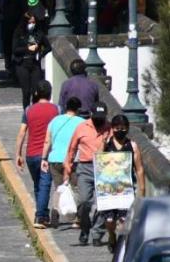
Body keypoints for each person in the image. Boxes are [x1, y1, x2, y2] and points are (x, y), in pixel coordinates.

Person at [63, 102, 112, 246]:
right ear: (91, 115)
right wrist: (68, 167)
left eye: (101, 118)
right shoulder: (81, 128)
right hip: (85, 167)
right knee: (84, 201)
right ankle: (85, 228)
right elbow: (72, 149)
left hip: (104, 167)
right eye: (97, 117)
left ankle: (97, 233)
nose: (99, 120)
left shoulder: (109, 127)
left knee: (103, 204)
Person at [14, 81, 60, 228]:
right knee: (45, 185)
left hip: (31, 154)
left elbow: (22, 133)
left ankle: (43, 213)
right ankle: (40, 217)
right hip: (47, 154)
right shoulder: (57, 110)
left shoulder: (28, 110)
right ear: (50, 93)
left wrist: (18, 154)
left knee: (38, 185)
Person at [97, 114, 146, 252]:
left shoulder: (132, 146)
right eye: (117, 128)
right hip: (108, 188)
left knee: (125, 220)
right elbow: (98, 161)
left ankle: (123, 245)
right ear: (112, 129)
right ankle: (111, 235)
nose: (120, 131)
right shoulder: (107, 144)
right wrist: (103, 143)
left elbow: (139, 168)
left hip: (126, 188)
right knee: (110, 221)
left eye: (123, 128)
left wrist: (141, 189)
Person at [41, 97, 85, 228]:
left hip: (55, 159)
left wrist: (44, 158)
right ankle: (77, 219)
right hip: (73, 160)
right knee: (76, 188)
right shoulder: (82, 123)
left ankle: (55, 214)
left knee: (59, 188)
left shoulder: (55, 120)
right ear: (78, 109)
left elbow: (47, 141)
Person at [11, 10, 49, 109]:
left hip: (34, 63)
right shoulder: (19, 32)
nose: (32, 24)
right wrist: (27, 49)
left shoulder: (38, 33)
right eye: (30, 22)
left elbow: (48, 46)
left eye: (33, 22)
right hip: (22, 63)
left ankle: (35, 110)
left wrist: (40, 53)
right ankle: (26, 112)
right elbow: (15, 49)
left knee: (36, 90)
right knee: (26, 91)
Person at [0, 0, 26, 70]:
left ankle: (9, 66)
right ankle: (15, 65)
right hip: (17, 24)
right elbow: (25, 10)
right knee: (16, 46)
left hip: (6, 24)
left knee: (7, 47)